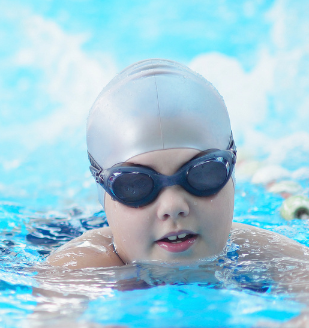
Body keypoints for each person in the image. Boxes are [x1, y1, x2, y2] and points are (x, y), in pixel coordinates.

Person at [43, 59, 309, 298]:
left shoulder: (266, 253)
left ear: (231, 175)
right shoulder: (76, 269)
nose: (173, 206)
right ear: (104, 194)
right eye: (135, 185)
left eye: (203, 173)